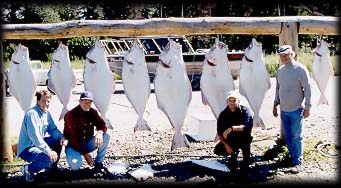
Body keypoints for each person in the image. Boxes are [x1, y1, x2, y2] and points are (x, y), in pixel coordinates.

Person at [273, 44, 311, 173]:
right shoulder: (280, 71)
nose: (284, 57)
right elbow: (278, 89)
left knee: (296, 136)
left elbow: (308, 89)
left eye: (286, 55)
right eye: (281, 55)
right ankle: (291, 157)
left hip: (296, 110)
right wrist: (275, 104)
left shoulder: (301, 69)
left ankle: (297, 161)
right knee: (288, 136)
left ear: (292, 54)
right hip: (284, 111)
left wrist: (308, 107)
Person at [17, 90, 67, 182]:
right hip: (28, 148)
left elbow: (53, 130)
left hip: (38, 145)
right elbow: (35, 137)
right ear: (38, 101)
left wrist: (61, 137)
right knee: (48, 157)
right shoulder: (31, 114)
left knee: (57, 141)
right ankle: (28, 169)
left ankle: (51, 167)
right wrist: (49, 151)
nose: (46, 103)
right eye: (43, 101)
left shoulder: (46, 114)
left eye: (48, 101)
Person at [63, 91, 111, 174]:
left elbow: (102, 125)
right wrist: (85, 154)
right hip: (73, 146)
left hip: (87, 143)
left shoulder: (93, 112)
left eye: (89, 102)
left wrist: (99, 132)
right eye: (85, 101)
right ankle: (75, 160)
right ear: (80, 101)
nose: (87, 104)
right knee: (75, 166)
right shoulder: (70, 115)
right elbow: (72, 138)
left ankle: (99, 163)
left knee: (106, 136)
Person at [214, 90, 253, 171]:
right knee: (218, 150)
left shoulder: (246, 111)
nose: (232, 103)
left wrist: (231, 128)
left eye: (234, 100)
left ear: (239, 101)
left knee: (246, 165)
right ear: (227, 102)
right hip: (231, 140)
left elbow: (246, 126)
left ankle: (246, 159)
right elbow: (219, 133)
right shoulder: (223, 114)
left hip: (244, 138)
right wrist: (226, 145)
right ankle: (233, 156)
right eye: (230, 101)